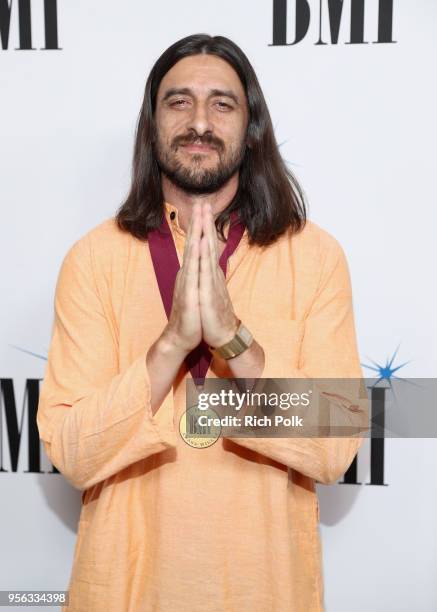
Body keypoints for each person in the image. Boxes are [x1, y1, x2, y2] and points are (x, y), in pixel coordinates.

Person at [37, 33, 367, 612]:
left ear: (251, 125)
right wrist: (170, 345)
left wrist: (233, 341)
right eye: (178, 101)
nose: (199, 122)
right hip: (124, 592)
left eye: (222, 103)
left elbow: (336, 447)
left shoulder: (314, 257)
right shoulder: (93, 259)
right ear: (153, 122)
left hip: (266, 592)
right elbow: (71, 453)